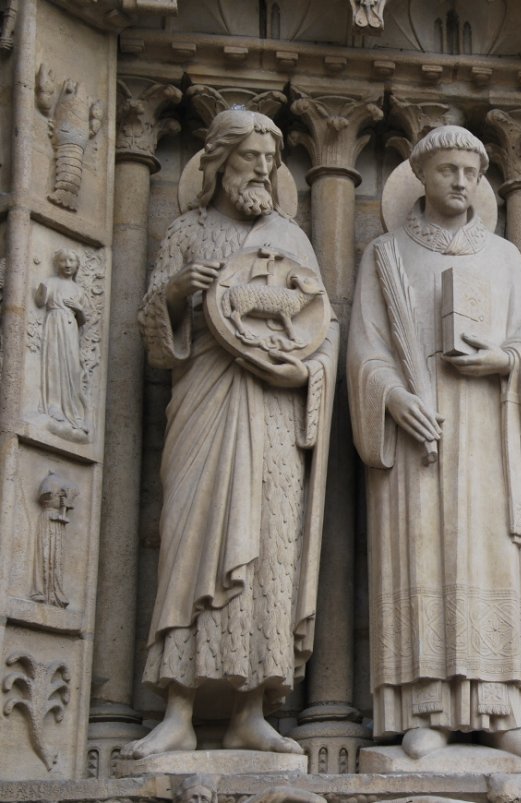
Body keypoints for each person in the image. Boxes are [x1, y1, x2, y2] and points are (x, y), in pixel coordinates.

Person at [123, 109, 337, 758]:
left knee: (268, 547)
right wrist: (184, 289)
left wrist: (301, 368)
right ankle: (178, 710)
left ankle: (252, 709)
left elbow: (320, 327)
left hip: (271, 406)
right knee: (192, 542)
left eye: (270, 163)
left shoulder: (293, 240)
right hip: (206, 400)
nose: (263, 172)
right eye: (250, 160)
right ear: (218, 163)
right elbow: (153, 336)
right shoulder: (188, 230)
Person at [347, 126, 521, 769]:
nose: (460, 182)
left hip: (487, 422)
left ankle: (500, 712)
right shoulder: (386, 253)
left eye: (470, 171)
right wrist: (391, 398)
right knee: (421, 554)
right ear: (422, 177)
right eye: (447, 171)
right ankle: (423, 707)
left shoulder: (504, 257)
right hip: (419, 427)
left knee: (490, 558)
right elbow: (363, 349)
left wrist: (504, 360)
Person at [35, 249, 89, 438]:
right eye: (64, 261)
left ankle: (73, 411)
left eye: (72, 261)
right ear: (57, 263)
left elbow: (83, 319)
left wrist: (79, 308)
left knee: (72, 369)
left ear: (77, 265)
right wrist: (41, 290)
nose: (67, 265)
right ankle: (54, 404)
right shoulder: (51, 282)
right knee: (54, 364)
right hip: (54, 324)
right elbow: (40, 301)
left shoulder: (79, 290)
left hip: (70, 328)